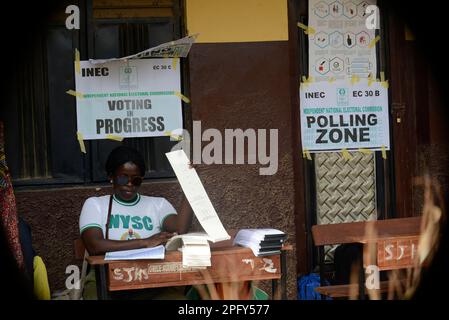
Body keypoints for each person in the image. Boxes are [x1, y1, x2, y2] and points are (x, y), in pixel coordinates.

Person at [80, 145, 193, 299]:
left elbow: (179, 230)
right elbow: (95, 246)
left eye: (136, 180)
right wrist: (144, 242)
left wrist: (191, 185)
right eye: (123, 178)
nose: (130, 184)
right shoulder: (95, 204)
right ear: (111, 176)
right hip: (108, 279)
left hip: (152, 279)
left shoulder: (158, 204)